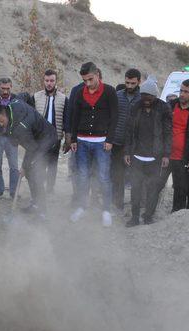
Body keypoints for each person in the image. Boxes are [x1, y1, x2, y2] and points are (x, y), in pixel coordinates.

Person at [69, 62, 118, 227]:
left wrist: (110, 139)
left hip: (102, 142)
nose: (88, 83)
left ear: (97, 74)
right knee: (82, 176)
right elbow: (75, 116)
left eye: (90, 79)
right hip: (82, 142)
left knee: (104, 176)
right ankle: (82, 207)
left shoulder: (110, 91)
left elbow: (114, 117)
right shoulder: (79, 92)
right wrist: (73, 139)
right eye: (84, 80)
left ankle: (106, 210)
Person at [0, 100, 56, 217]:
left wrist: (24, 166)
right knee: (30, 173)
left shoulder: (20, 128)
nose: (1, 125)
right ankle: (36, 203)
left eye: (2, 122)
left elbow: (32, 148)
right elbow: (25, 96)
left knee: (35, 173)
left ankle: (42, 212)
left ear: (6, 114)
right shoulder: (13, 104)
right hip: (37, 139)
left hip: (47, 140)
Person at [123, 80, 172, 226]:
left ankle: (148, 217)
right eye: (143, 96)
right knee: (135, 189)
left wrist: (166, 154)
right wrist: (127, 152)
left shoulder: (164, 108)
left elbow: (168, 133)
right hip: (137, 156)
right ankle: (134, 218)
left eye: (149, 97)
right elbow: (129, 131)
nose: (146, 100)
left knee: (153, 189)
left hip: (155, 157)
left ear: (155, 96)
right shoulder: (135, 107)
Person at [161, 78, 189, 212]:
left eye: (186, 91)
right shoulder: (170, 105)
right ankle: (148, 216)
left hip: (183, 158)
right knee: (156, 184)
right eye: (181, 90)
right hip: (166, 155)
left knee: (180, 190)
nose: (182, 94)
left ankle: (176, 218)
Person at [29, 69, 69, 195]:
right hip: (39, 138)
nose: (49, 83)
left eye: (52, 80)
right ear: (43, 81)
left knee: (52, 165)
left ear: (56, 81)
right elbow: (30, 118)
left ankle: (50, 189)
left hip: (55, 138)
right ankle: (39, 189)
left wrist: (67, 138)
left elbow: (66, 120)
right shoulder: (35, 97)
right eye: (47, 80)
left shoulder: (63, 99)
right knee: (39, 163)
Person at [112, 68, 141, 211]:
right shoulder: (117, 96)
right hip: (117, 142)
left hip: (135, 145)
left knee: (136, 178)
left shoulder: (143, 99)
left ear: (139, 82)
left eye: (133, 83)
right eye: (127, 83)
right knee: (117, 176)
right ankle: (117, 205)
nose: (129, 86)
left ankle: (136, 207)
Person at [0, 77, 19, 198]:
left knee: (14, 166)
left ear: (11, 87)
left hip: (12, 137)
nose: (5, 91)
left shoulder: (16, 99)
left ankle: (13, 191)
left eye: (8, 89)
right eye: (3, 89)